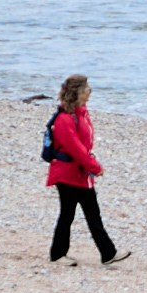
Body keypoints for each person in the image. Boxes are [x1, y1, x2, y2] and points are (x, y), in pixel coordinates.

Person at [46, 73, 122, 265]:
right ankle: (58, 255)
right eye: (87, 88)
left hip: (79, 174)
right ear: (78, 92)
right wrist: (95, 167)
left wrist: (90, 167)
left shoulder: (81, 113)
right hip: (67, 174)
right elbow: (76, 149)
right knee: (69, 214)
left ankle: (108, 253)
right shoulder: (64, 119)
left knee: (89, 213)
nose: (90, 91)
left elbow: (83, 147)